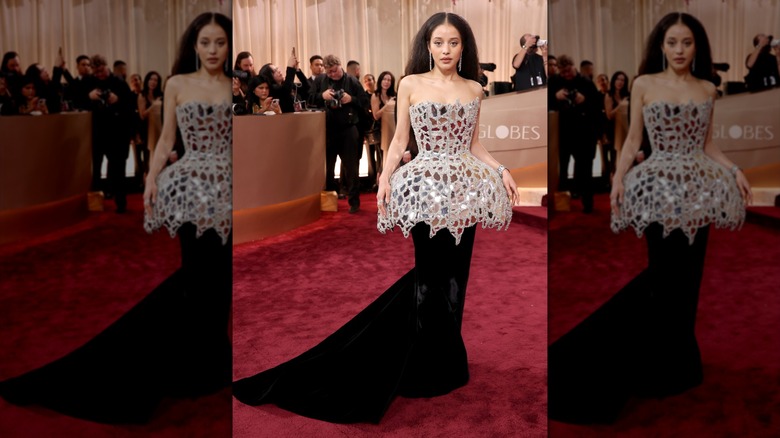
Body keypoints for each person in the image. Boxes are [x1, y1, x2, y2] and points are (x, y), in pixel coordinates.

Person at [233, 11, 517, 424]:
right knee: (429, 277)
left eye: (453, 43)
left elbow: (475, 146)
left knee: (457, 276)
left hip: (464, 193)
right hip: (424, 192)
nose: (446, 50)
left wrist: (501, 170)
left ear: (464, 46)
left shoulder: (475, 89)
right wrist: (385, 179)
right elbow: (401, 137)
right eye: (438, 42)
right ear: (427, 45)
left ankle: (448, 358)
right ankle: (421, 364)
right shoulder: (411, 84)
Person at [0, 12, 233, 425]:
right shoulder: (179, 85)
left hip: (228, 189)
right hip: (192, 193)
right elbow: (164, 141)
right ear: (193, 47)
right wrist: (150, 182)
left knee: (218, 281)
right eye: (205, 43)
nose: (213, 50)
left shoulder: (233, 85)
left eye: (220, 42)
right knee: (199, 277)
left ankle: (211, 363)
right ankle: (194, 368)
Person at [548, 12, 751, 424]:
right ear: (661, 45)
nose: (679, 50)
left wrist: (734, 170)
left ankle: (681, 363)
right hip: (658, 191)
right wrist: (619, 177)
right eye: (672, 42)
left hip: (699, 192)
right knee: (662, 278)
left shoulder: (709, 89)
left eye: (687, 43)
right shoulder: (644, 85)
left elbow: (709, 145)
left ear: (698, 47)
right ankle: (652, 363)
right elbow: (634, 141)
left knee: (689, 278)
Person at [309, 54, 367, 213]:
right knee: (327, 167)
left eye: (334, 71)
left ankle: (354, 202)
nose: (332, 75)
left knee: (352, 168)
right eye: (329, 72)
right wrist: (322, 96)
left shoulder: (352, 81)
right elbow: (309, 98)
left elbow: (364, 101)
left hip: (349, 129)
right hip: (328, 130)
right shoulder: (321, 80)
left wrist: (350, 99)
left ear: (340, 66)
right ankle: (328, 202)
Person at [83, 54, 136, 212]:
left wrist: (117, 100)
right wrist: (89, 96)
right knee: (96, 169)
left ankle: (120, 202)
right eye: (96, 72)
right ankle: (96, 202)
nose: (99, 75)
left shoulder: (119, 82)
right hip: (98, 132)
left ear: (107, 66)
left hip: (118, 133)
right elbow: (77, 101)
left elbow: (130, 106)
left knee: (118, 169)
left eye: (101, 70)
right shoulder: (89, 82)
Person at [548, 54, 600, 212]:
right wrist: (555, 96)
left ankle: (588, 204)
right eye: (563, 72)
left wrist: (584, 100)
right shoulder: (555, 81)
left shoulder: (586, 82)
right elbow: (546, 102)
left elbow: (597, 105)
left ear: (573, 66)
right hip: (562, 133)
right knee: (561, 169)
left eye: (568, 71)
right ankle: (561, 203)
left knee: (585, 170)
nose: (566, 75)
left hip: (584, 133)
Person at [136, 71, 164, 182]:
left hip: (160, 129)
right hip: (147, 131)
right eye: (151, 79)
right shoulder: (142, 96)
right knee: (148, 159)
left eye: (156, 80)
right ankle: (148, 183)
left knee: (161, 157)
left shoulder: (161, 95)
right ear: (147, 80)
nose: (153, 82)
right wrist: (153, 105)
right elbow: (142, 115)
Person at [369, 71, 397, 181]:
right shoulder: (375, 96)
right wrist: (387, 105)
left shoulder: (393, 95)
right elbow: (376, 116)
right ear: (380, 80)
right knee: (381, 161)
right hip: (380, 131)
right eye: (384, 79)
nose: (386, 82)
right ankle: (380, 183)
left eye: (389, 80)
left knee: (392, 158)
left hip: (392, 129)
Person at [603, 71, 630, 181]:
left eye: (622, 80)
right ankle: (614, 181)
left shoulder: (627, 95)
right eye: (618, 79)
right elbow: (609, 115)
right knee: (614, 158)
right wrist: (620, 105)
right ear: (614, 81)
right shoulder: (609, 95)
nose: (620, 82)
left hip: (626, 128)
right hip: (613, 130)